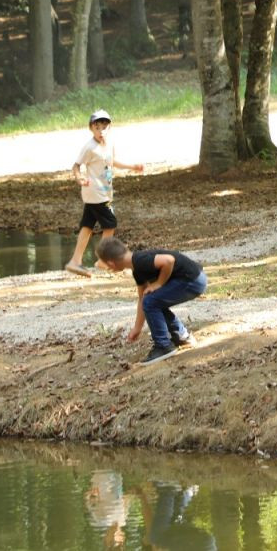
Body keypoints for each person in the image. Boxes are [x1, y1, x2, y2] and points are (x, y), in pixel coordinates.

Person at [96, 236, 207, 365]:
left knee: (151, 299)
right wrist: (137, 328)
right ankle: (181, 336)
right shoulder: (137, 269)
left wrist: (159, 283)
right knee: (153, 300)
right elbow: (142, 299)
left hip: (192, 280)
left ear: (111, 264)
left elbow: (168, 261)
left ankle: (163, 346)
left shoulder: (140, 260)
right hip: (194, 279)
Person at [65, 109, 145, 277]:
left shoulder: (109, 144)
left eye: (104, 127)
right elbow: (76, 166)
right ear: (91, 128)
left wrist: (132, 166)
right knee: (110, 224)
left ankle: (75, 261)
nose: (101, 131)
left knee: (87, 226)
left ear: (110, 127)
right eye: (97, 128)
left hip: (104, 192)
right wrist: (79, 178)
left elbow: (112, 161)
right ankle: (102, 260)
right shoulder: (89, 147)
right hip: (95, 193)